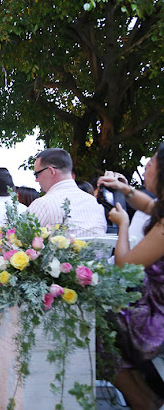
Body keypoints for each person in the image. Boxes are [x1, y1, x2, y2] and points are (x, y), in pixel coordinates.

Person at [100, 143, 164, 409]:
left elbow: (125, 266)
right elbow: (147, 204)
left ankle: (145, 403)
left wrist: (123, 225)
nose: (146, 166)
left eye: (152, 162)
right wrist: (124, 189)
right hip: (151, 303)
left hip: (156, 314)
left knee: (97, 330)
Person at [28, 148, 106, 237]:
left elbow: (19, 244)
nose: (36, 180)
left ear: (51, 171)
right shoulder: (95, 204)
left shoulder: (42, 205)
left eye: (37, 174)